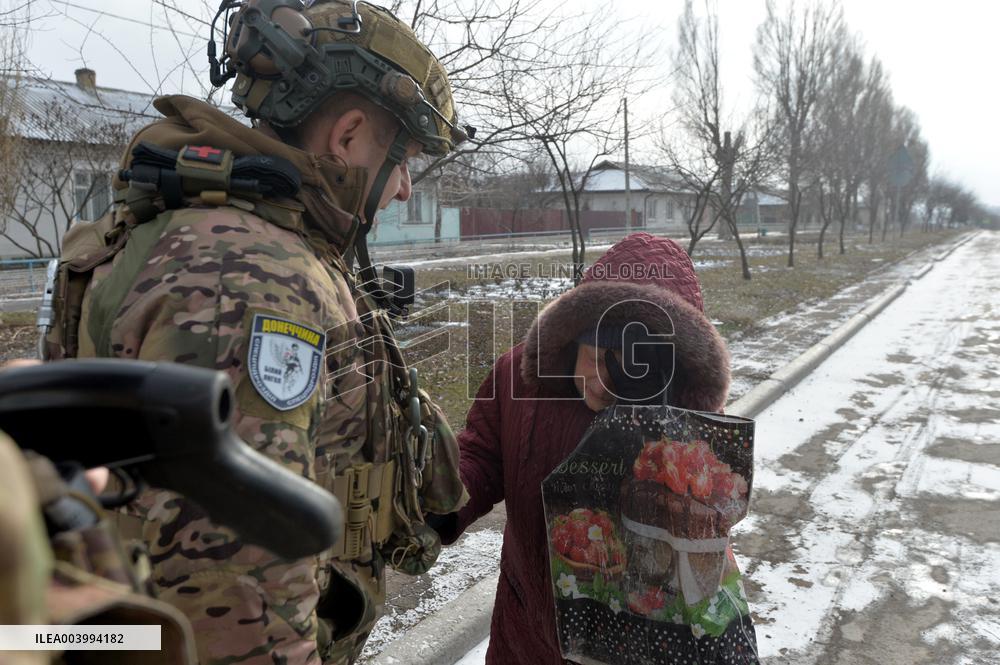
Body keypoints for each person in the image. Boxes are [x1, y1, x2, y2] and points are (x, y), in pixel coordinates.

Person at [42, 1, 468, 663]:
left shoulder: (229, 236)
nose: (406, 188)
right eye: (405, 157)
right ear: (350, 135)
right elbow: (231, 595)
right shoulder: (250, 278)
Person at [439, 232, 750, 664]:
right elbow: (481, 456)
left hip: (638, 648)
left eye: (629, 369)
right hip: (525, 637)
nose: (604, 384)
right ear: (575, 335)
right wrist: (437, 498)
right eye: (598, 356)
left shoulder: (677, 420)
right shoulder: (519, 380)